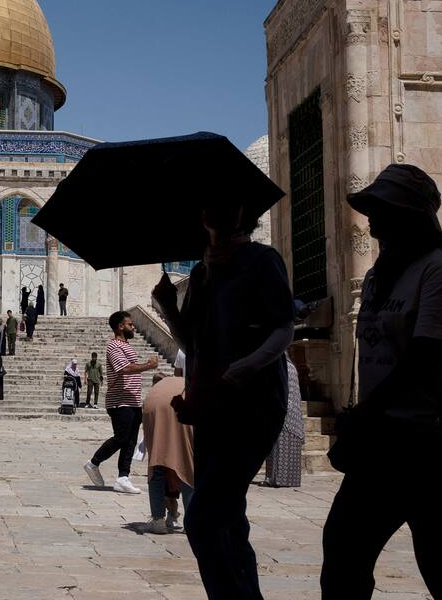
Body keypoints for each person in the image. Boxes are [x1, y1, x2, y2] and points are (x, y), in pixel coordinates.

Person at [320, 165, 442, 600]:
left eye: (382, 209)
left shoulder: (440, 273)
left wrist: (364, 415)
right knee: (343, 553)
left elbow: (429, 358)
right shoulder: (382, 277)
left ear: (413, 214)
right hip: (383, 442)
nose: (373, 221)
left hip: (436, 448)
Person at [152, 198, 294, 600]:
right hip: (211, 405)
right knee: (229, 519)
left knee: (204, 520)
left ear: (239, 213)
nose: (211, 210)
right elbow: (193, 344)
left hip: (254, 404)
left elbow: (283, 330)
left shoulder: (262, 261)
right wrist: (167, 308)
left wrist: (242, 370)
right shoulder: (201, 273)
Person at [83, 311, 158, 494]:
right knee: (122, 437)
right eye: (130, 324)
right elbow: (124, 369)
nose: (133, 327)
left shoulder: (127, 346)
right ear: (120, 326)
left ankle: (123, 478)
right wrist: (148, 365)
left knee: (130, 440)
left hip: (132, 400)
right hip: (119, 400)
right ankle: (93, 463)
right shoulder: (114, 346)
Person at [142, 364, 194, 534]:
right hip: (184, 403)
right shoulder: (183, 383)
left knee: (157, 462)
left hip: (154, 406)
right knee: (187, 464)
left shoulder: (156, 390)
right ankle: (192, 522)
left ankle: (158, 520)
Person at [264, 353, 303, 488]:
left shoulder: (283, 367)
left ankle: (276, 478)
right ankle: (288, 479)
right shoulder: (291, 367)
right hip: (294, 415)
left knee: (279, 447)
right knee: (285, 447)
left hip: (284, 412)